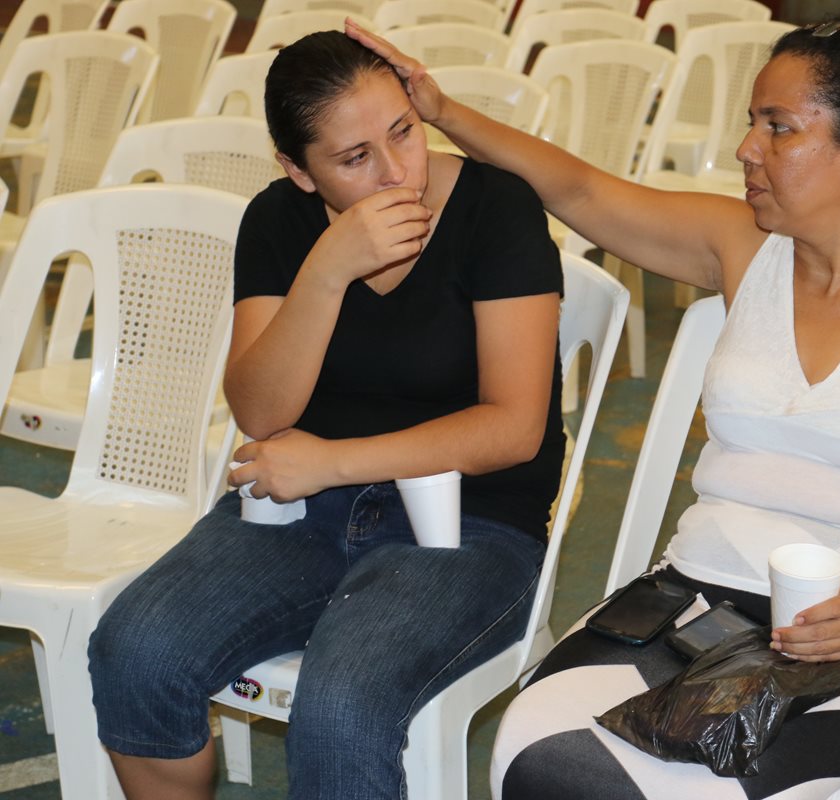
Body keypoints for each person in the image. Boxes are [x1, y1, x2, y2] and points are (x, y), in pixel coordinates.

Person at [352, 0, 840, 796]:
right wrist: (440, 112)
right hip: (689, 598)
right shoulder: (744, 249)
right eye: (753, 121)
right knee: (539, 757)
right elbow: (577, 190)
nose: (747, 148)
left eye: (778, 128)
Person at [87, 30, 564, 799]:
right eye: (354, 159)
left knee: (342, 704)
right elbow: (262, 409)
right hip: (302, 508)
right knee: (136, 650)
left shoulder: (495, 208)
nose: (396, 171)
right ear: (298, 172)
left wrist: (336, 461)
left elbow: (513, 429)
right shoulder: (279, 221)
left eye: (403, 131)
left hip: (470, 524)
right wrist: (328, 270)